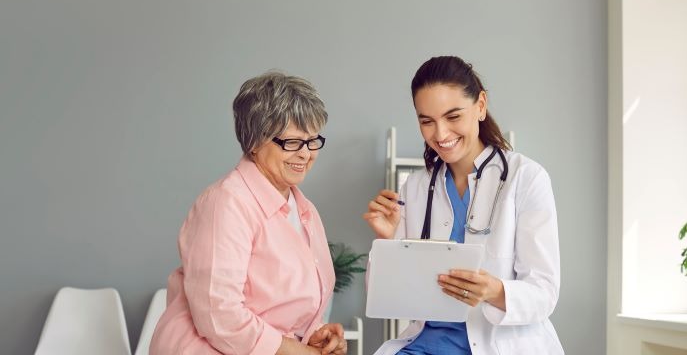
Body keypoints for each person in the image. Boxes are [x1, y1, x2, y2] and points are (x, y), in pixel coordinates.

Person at [363, 56, 564, 354]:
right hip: (425, 346)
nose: (441, 134)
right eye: (427, 121)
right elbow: (387, 297)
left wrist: (495, 291)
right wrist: (387, 240)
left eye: (453, 117)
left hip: (500, 345)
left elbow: (544, 293)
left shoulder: (526, 178)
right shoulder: (417, 186)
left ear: (480, 106)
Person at [150, 71, 346, 355]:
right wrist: (292, 351)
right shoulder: (226, 203)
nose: (305, 154)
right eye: (292, 142)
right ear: (254, 142)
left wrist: (312, 337)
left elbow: (280, 307)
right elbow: (219, 314)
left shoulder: (305, 210)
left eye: (312, 140)